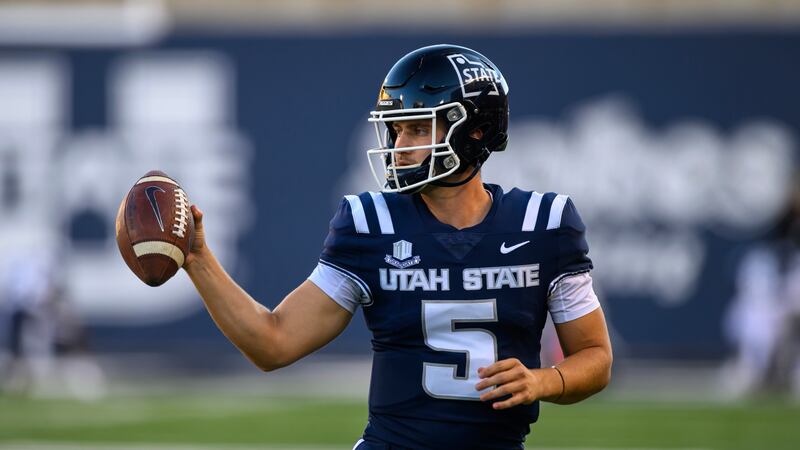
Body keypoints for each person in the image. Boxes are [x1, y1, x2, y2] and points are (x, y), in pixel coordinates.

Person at [184, 44, 612, 449]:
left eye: (418, 128)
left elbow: (595, 357)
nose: (399, 147)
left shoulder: (543, 224)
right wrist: (198, 259)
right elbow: (272, 343)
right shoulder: (371, 224)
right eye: (395, 129)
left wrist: (544, 381)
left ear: (476, 129)